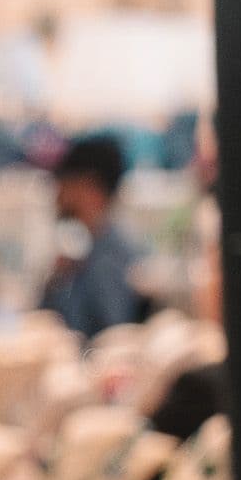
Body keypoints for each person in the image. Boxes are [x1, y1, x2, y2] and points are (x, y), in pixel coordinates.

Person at [43, 134, 149, 339]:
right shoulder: (85, 252)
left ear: (90, 188)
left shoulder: (109, 259)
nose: (57, 197)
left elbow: (110, 335)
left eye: (64, 183)